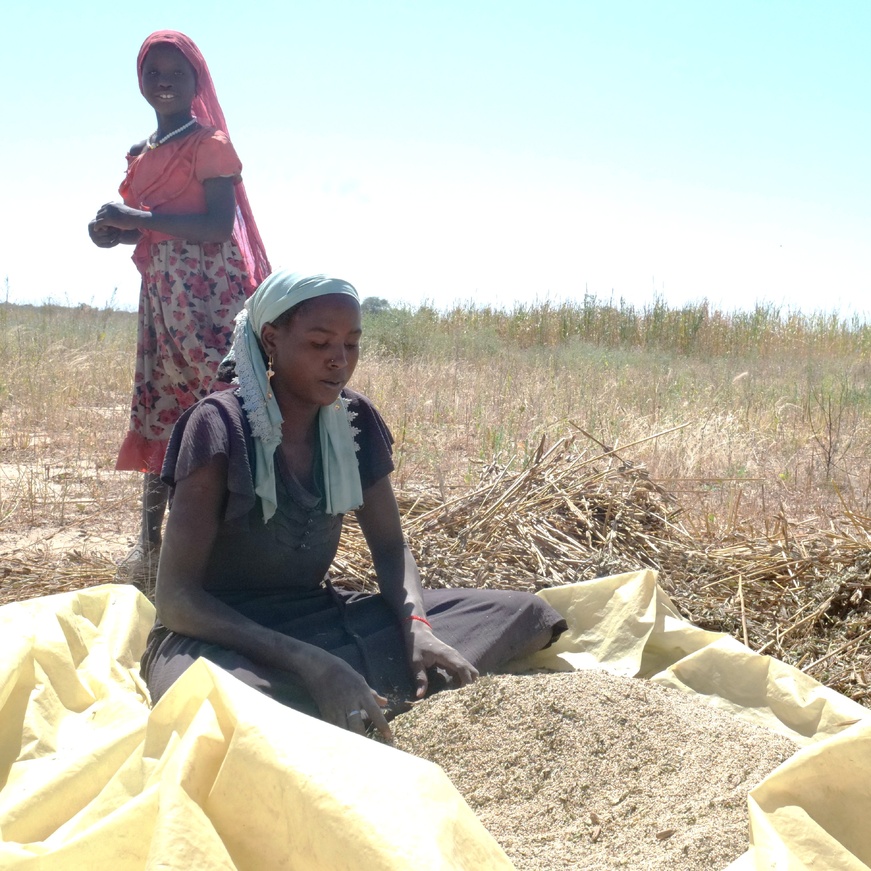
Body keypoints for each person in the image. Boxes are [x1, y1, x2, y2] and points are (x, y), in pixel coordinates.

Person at [140, 270, 567, 738]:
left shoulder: (354, 419)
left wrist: (417, 627)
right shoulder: (219, 426)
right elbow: (177, 600)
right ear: (272, 340)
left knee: (522, 612)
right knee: (227, 713)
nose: (338, 361)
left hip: (318, 616)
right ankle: (339, 689)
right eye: (320, 344)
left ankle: (347, 689)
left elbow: (389, 548)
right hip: (218, 636)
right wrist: (310, 662)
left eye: (352, 345)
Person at [88, 30, 270, 588]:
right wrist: (109, 231)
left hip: (210, 297)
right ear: (140, 80)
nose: (163, 81)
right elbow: (151, 230)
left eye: (176, 72)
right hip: (164, 300)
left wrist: (135, 220)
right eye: (153, 72)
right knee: (160, 408)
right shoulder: (142, 154)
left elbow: (216, 227)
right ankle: (149, 547)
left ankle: (238, 548)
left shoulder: (208, 144)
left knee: (222, 408)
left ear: (197, 81)